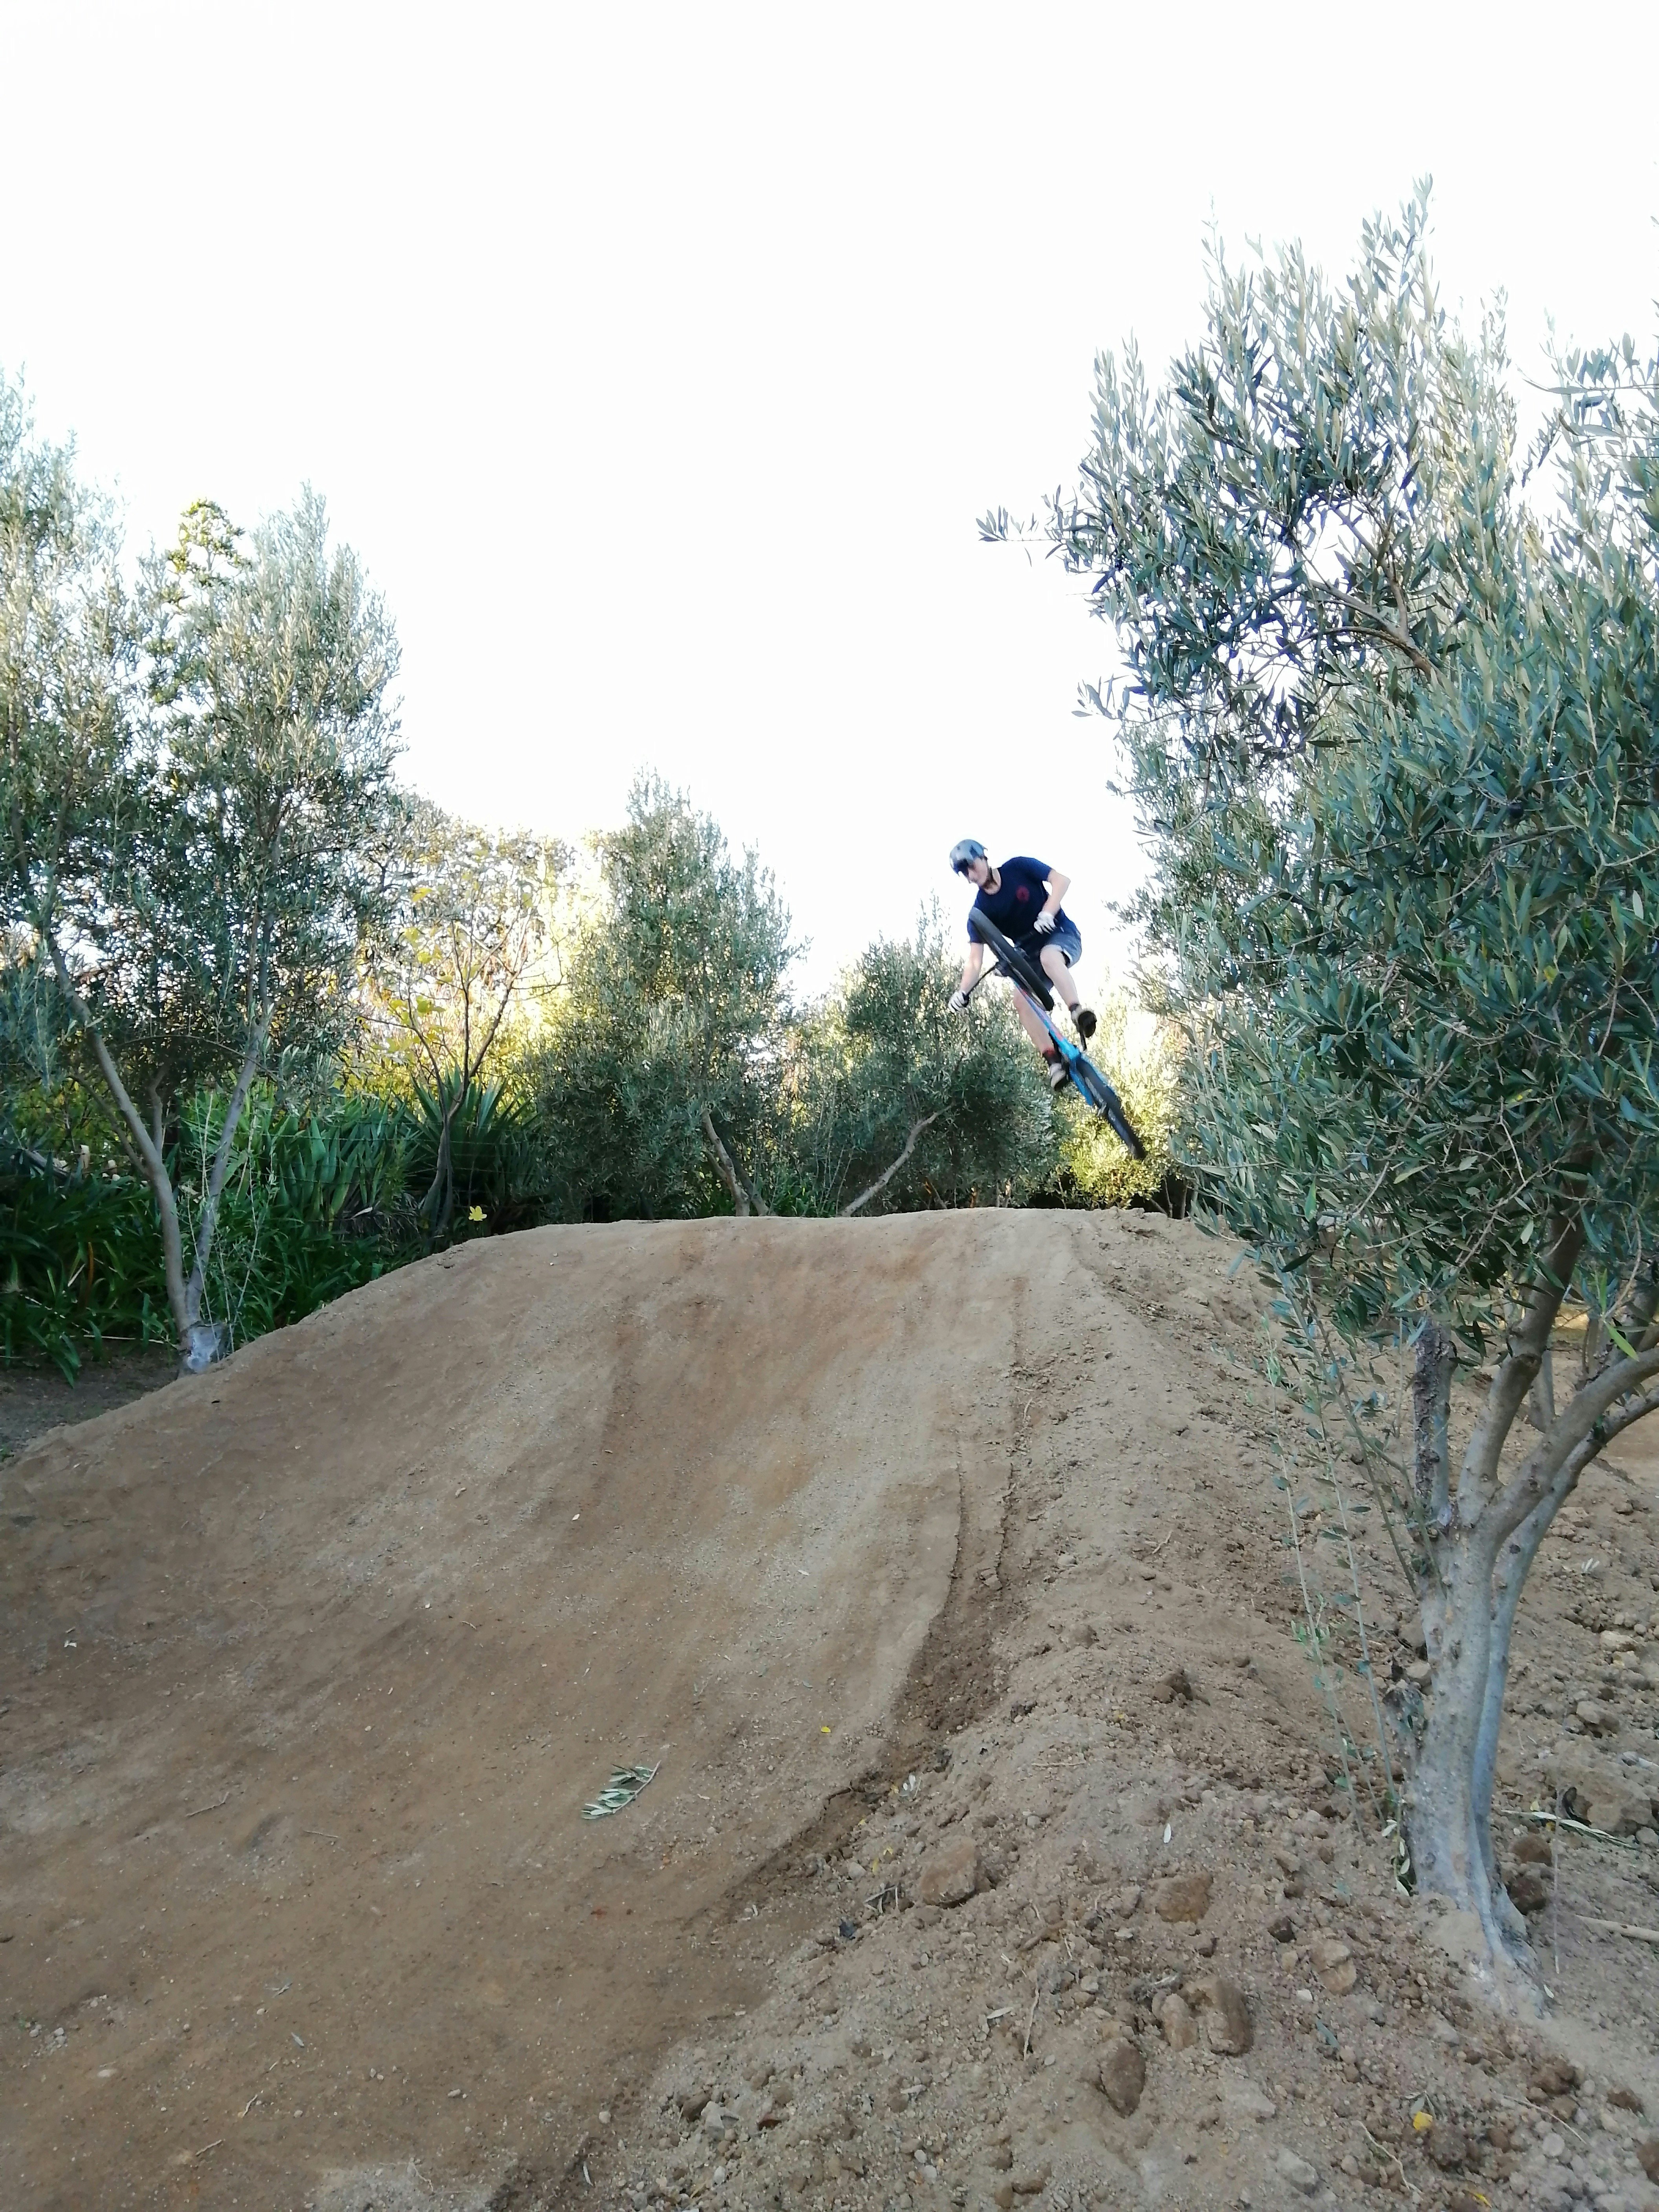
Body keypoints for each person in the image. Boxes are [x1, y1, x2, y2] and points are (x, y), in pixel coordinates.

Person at [946, 840, 1096, 1090]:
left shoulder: (1018, 868)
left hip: (1061, 934)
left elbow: (1061, 881)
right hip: (1030, 957)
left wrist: (1048, 912)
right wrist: (962, 992)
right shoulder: (980, 912)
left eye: (971, 867)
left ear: (983, 857)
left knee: (1050, 956)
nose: (971, 876)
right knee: (1021, 1000)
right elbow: (975, 959)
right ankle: (1053, 1061)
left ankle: (1077, 1012)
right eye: (965, 873)